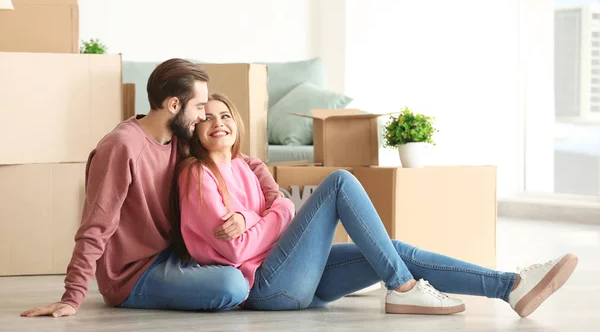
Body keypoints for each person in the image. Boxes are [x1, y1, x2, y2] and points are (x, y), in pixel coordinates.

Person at [173, 93, 579, 317]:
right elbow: (235, 249)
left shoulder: (249, 166)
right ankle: (402, 288)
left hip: (295, 274)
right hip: (264, 286)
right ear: (194, 129)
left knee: (394, 250)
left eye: (225, 114)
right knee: (339, 183)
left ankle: (510, 287)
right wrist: (270, 218)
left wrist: (256, 216)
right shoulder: (197, 174)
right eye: (207, 117)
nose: (218, 122)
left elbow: (283, 213)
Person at [21, 58, 280, 318]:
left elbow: (240, 158)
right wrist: (72, 297)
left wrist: (269, 200)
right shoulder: (121, 147)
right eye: (200, 107)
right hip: (133, 275)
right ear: (174, 105)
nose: (203, 116)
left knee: (244, 268)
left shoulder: (181, 137)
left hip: (177, 256)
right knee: (231, 284)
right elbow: (95, 226)